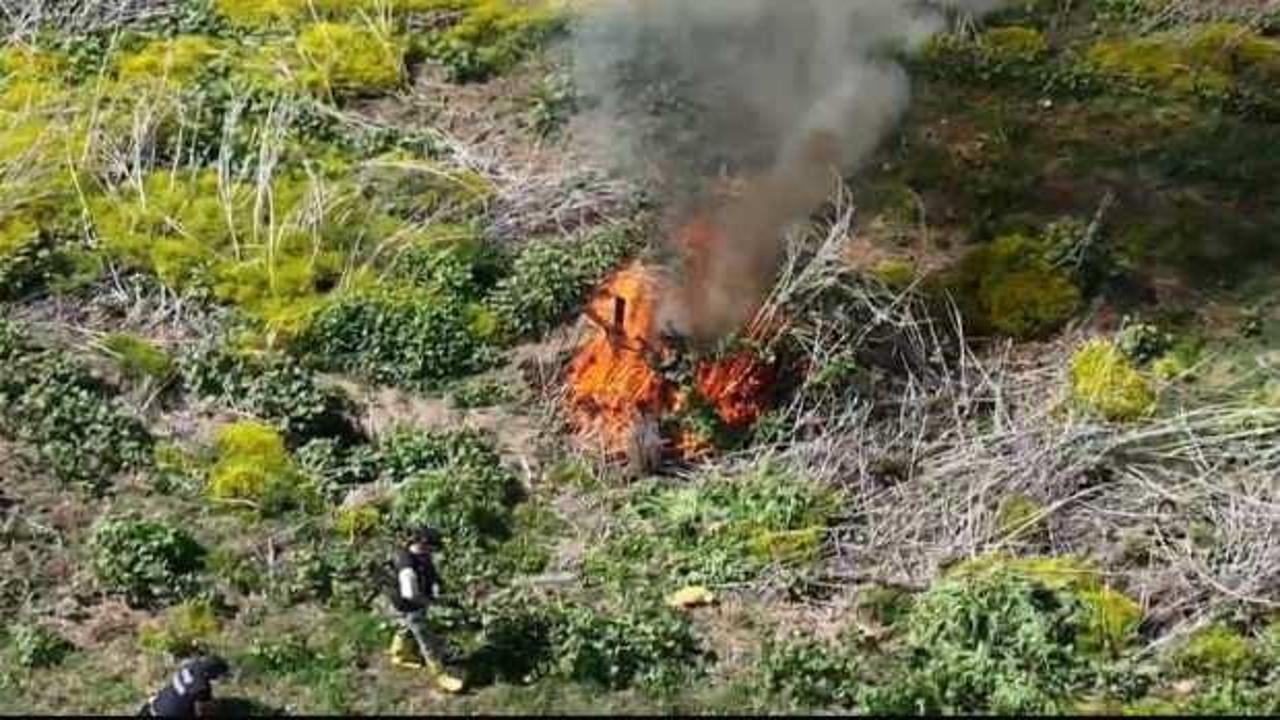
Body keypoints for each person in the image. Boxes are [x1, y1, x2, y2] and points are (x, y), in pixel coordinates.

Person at [386, 527, 463, 692]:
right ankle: (441, 676)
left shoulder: (421, 554)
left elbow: (431, 573)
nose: (434, 552)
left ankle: (399, 654)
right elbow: (410, 594)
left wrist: (437, 585)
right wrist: (431, 602)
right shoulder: (407, 566)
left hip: (411, 603)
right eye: (433, 548)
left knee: (405, 625)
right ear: (423, 544)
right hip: (409, 604)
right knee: (427, 639)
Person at [137, 655, 229, 719]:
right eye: (218, 674)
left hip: (153, 706)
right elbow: (204, 711)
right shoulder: (201, 687)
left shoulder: (191, 666)